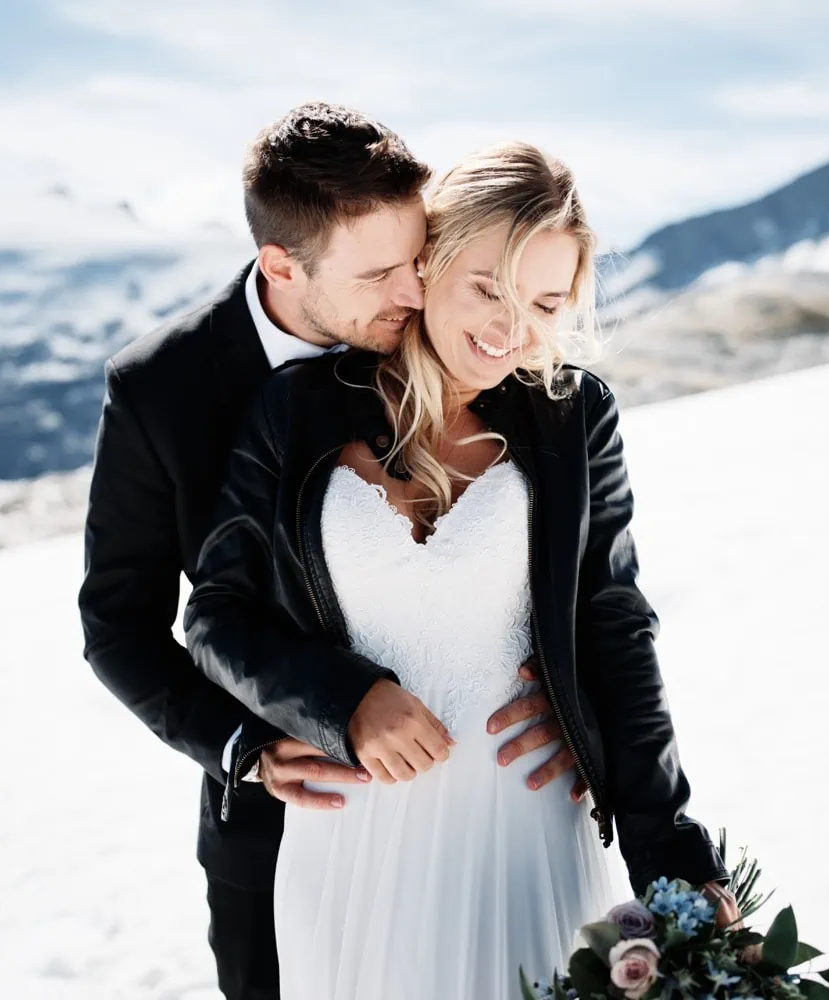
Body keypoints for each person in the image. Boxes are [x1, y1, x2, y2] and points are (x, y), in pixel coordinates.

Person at [182, 141, 734, 1000]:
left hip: (527, 832)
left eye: (546, 302)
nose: (512, 329)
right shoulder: (296, 409)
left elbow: (613, 624)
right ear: (429, 263)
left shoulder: (573, 416)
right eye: (488, 288)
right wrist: (339, 700)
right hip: (351, 837)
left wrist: (670, 854)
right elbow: (216, 615)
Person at [78, 104, 585, 1000]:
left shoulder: (463, 357)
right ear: (283, 266)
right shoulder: (160, 390)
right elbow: (121, 627)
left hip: (492, 807)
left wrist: (563, 684)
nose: (416, 290)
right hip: (286, 811)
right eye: (384, 273)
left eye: (420, 257)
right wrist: (248, 745)